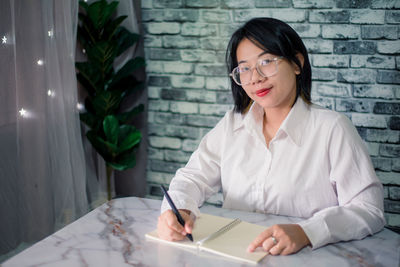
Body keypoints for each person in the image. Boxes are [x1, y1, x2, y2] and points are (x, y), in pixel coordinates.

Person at [157, 17, 385, 256]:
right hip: (236, 256)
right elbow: (192, 178)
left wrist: (307, 231)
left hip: (306, 258)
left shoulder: (332, 128)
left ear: (297, 63)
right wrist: (179, 210)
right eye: (244, 68)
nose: (255, 78)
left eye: (266, 62)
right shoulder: (232, 125)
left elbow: (368, 209)